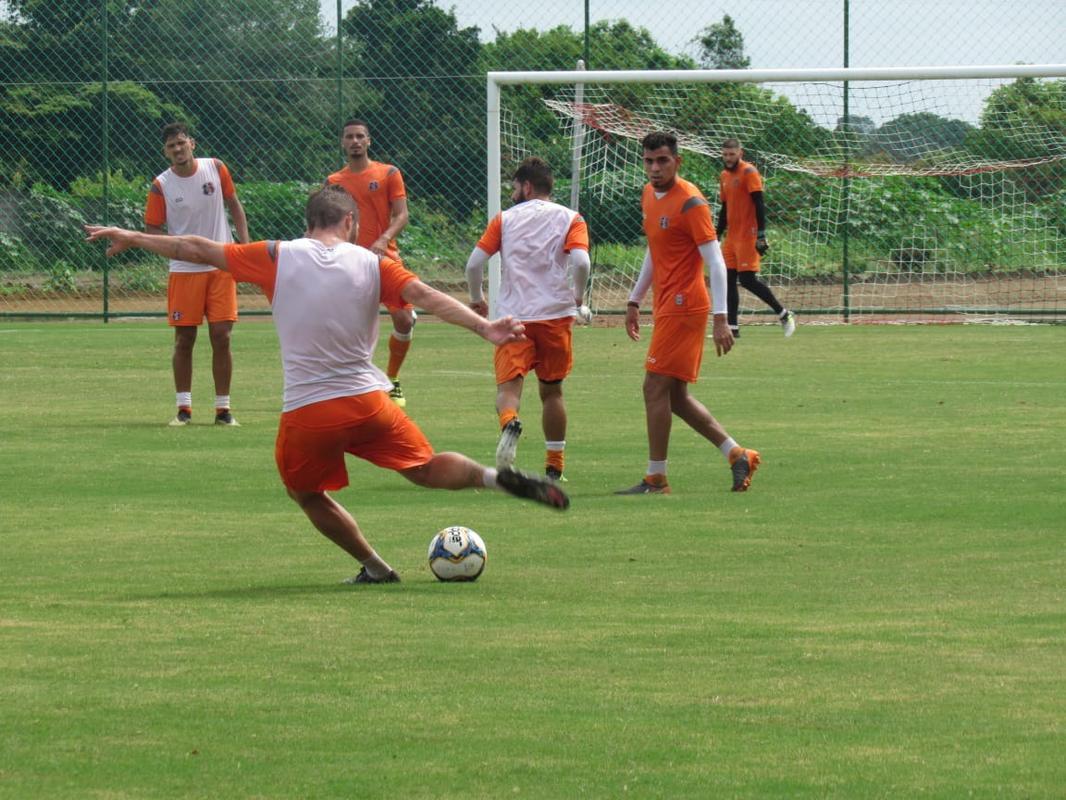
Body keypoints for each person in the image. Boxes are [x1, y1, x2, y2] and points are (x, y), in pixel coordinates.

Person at [86, 186, 569, 584]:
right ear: (351, 224)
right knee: (422, 466)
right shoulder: (371, 263)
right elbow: (423, 295)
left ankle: (376, 568)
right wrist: (485, 328)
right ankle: (494, 477)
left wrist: (130, 234)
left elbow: (192, 247)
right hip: (368, 402)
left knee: (306, 492)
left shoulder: (277, 255)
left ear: (308, 223)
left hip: (309, 411)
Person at [618, 131, 760, 495]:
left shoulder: (691, 202)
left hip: (686, 306)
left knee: (653, 387)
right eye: (649, 161)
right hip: (666, 305)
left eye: (662, 160)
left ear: (677, 162)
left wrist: (722, 317)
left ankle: (656, 478)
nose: (655, 168)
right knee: (675, 397)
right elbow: (655, 250)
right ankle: (737, 454)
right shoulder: (649, 195)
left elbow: (715, 261)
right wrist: (635, 300)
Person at [465, 157, 591, 482]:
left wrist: (477, 298)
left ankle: (509, 422)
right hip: (555, 316)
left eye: (515, 187)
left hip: (514, 316)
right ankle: (555, 465)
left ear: (527, 186)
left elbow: (474, 264)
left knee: (509, 388)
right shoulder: (570, 218)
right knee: (552, 392)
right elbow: (581, 262)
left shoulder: (504, 220)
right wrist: (577, 296)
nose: (512, 193)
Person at [145, 121, 250, 426]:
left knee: (222, 336)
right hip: (184, 271)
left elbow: (234, 204)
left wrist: (244, 247)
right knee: (184, 339)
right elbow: (151, 229)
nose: (177, 149)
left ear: (192, 143)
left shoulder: (216, 168)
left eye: (181, 143)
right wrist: (175, 252)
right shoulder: (161, 185)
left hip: (221, 264)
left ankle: (223, 409)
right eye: (170, 146)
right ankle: (184, 408)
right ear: (165, 152)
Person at [326, 119, 415, 407]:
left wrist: (383, 238)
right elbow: (328, 220)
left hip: (383, 256)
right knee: (344, 325)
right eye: (349, 137)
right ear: (343, 142)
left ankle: (393, 379)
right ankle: (347, 384)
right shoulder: (334, 182)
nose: (355, 141)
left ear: (369, 141)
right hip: (348, 261)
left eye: (360, 136)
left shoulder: (388, 173)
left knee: (403, 319)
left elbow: (402, 215)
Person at [717, 137, 795, 339]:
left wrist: (761, 235)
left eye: (732, 154)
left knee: (748, 280)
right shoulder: (724, 175)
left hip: (748, 236)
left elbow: (759, 203)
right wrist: (716, 235)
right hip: (732, 238)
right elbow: (725, 208)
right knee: (729, 280)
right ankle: (732, 328)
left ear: (740, 154)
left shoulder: (749, 172)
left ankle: (784, 314)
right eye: (725, 154)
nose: (728, 158)